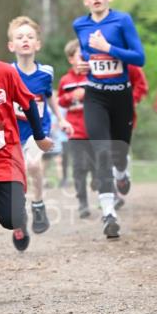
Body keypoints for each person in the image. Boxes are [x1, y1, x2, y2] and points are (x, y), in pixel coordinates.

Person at [0, 11, 53, 304]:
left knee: (10, 218)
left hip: (5, 155)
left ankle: (23, 219)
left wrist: (40, 137)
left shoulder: (5, 73)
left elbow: (30, 104)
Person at [72, 0, 145, 239]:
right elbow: (86, 54)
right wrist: (83, 63)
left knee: (119, 153)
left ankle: (122, 173)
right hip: (95, 96)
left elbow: (139, 57)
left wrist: (108, 48)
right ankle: (108, 212)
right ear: (85, 0)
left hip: (121, 96)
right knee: (102, 151)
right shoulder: (80, 24)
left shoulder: (122, 20)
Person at [7, 16, 73, 234]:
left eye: (30, 36)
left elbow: (49, 96)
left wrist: (61, 119)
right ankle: (20, 211)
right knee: (15, 174)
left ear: (38, 44)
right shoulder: (7, 73)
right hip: (14, 131)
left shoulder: (46, 72)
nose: (25, 40)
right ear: (11, 45)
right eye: (20, 37)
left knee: (33, 164)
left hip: (39, 130)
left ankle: (37, 203)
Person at [58, 40, 96, 218]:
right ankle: (83, 203)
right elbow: (60, 101)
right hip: (75, 130)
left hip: (95, 128)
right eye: (80, 56)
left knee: (97, 163)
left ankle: (98, 181)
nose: (83, 59)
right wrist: (72, 95)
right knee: (79, 167)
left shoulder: (94, 76)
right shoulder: (65, 81)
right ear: (71, 59)